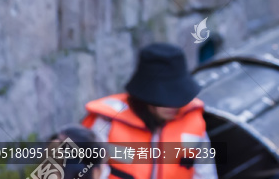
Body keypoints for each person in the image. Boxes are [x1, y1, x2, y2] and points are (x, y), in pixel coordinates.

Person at [82, 43, 218, 179]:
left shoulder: (194, 124)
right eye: (166, 99)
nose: (174, 106)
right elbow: (85, 171)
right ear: (146, 96)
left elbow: (206, 174)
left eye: (178, 98)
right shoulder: (106, 122)